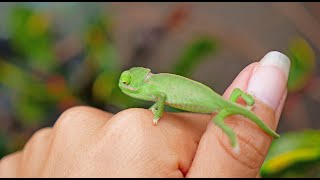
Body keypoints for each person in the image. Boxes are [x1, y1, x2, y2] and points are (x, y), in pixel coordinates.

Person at [0, 51, 290, 177]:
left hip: (211, 104)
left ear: (137, 81)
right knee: (230, 106)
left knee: (224, 121)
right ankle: (244, 104)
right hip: (216, 100)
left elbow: (162, 96)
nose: (125, 87)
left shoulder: (151, 89)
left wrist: (156, 114)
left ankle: (231, 133)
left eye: (127, 83)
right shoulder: (150, 83)